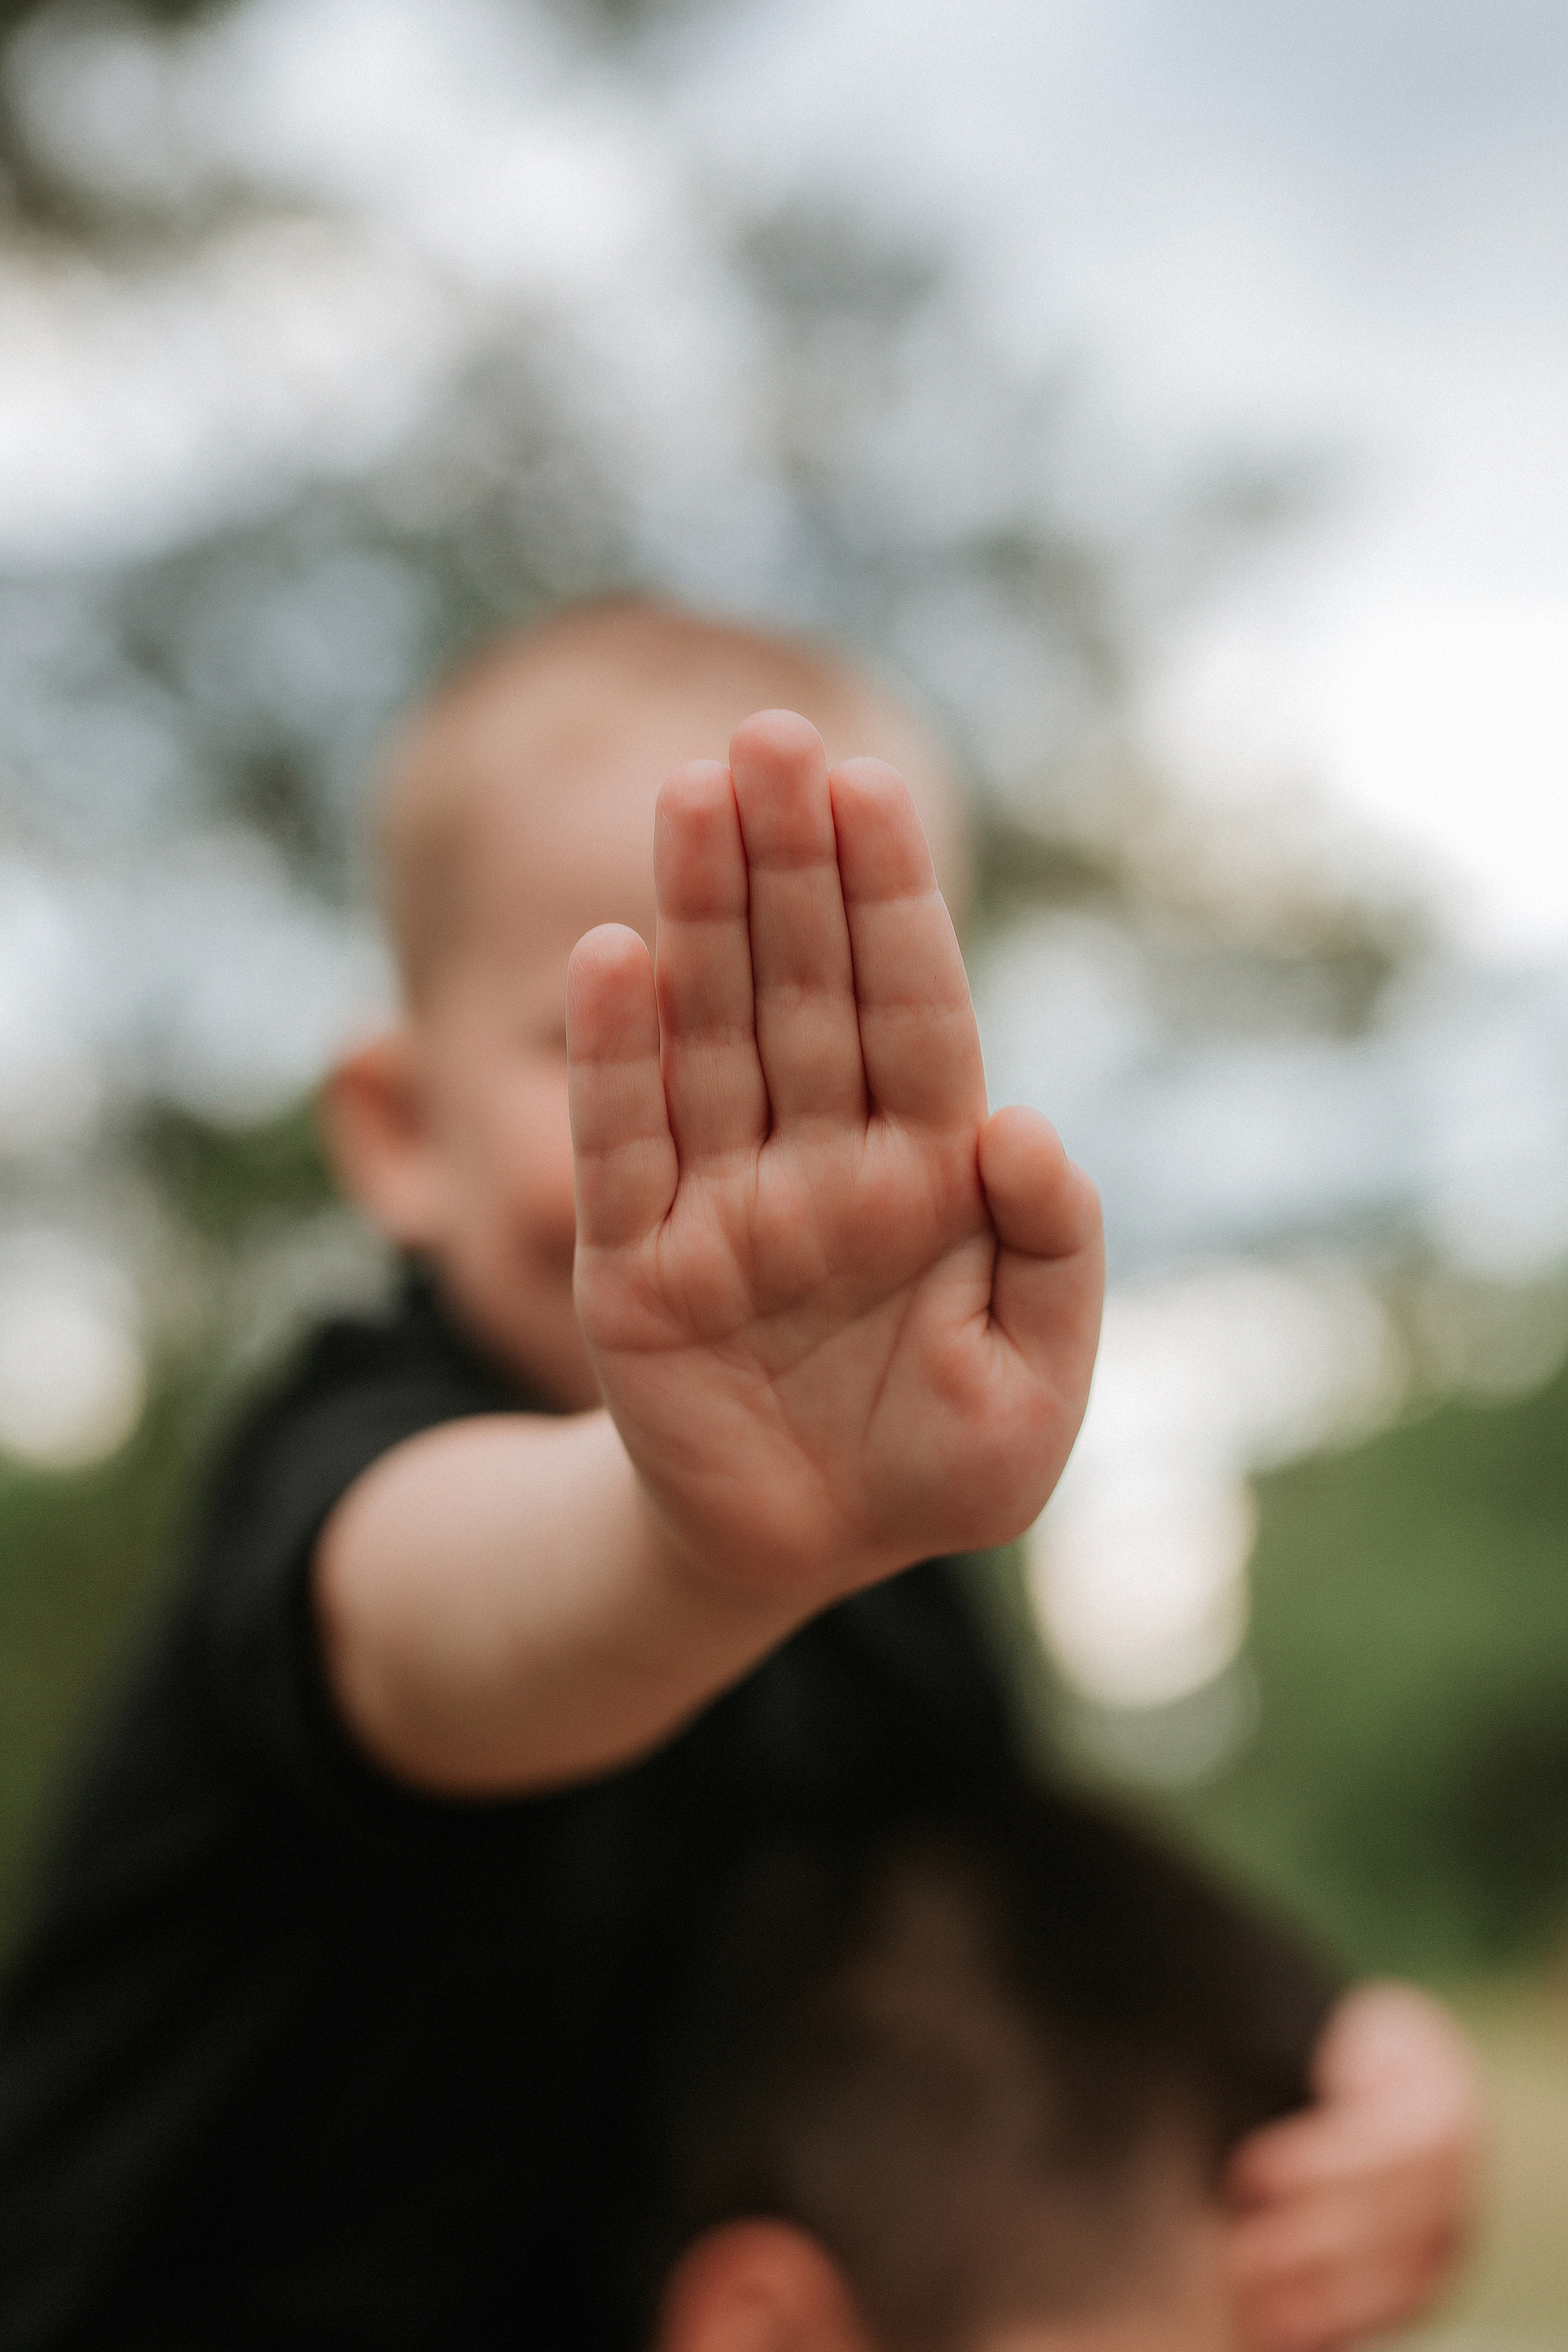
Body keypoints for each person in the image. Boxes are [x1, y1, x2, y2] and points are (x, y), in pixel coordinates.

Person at [0, 603, 1477, 2350]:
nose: (724, 1133)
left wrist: (1360, 2082)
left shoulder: (892, 1584)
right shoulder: (357, 1450)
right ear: (401, 1134)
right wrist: (688, 1540)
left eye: (809, 1048)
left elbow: (1004, 1962)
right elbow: (432, 1640)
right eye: (609, 1041)